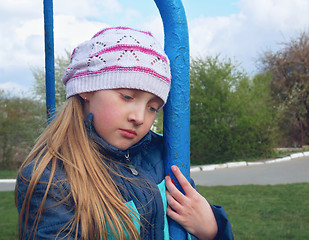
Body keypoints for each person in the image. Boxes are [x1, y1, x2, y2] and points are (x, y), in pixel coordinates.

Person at [15, 26, 233, 240]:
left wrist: (213, 229)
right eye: (127, 96)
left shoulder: (162, 155)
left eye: (152, 107)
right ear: (86, 89)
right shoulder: (52, 179)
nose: (139, 117)